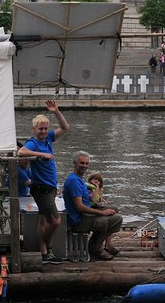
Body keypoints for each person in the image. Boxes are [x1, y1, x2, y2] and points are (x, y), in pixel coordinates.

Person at [18, 99, 69, 263]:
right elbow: (21, 152)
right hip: (41, 188)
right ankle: (49, 247)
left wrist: (56, 111)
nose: (44, 132)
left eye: (46, 129)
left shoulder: (48, 139)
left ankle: (44, 252)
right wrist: (42, 155)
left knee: (42, 219)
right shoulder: (33, 142)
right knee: (55, 220)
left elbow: (65, 128)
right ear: (34, 130)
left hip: (50, 186)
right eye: (40, 129)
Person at [63, 151, 122, 261]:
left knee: (114, 209)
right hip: (79, 220)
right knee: (116, 219)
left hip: (85, 214)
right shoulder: (73, 181)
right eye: (82, 163)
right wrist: (102, 212)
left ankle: (97, 244)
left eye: (86, 163)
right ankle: (96, 248)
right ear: (74, 163)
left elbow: (87, 201)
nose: (85, 166)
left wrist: (100, 202)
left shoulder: (79, 179)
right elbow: (79, 207)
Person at [86, 172, 117, 254]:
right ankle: (105, 245)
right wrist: (96, 188)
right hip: (91, 210)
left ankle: (108, 243)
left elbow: (99, 199)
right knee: (113, 216)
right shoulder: (89, 189)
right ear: (90, 180)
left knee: (114, 210)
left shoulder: (98, 189)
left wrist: (103, 200)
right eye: (94, 180)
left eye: (98, 181)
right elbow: (94, 201)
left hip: (97, 207)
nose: (96, 182)